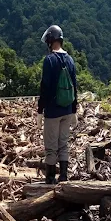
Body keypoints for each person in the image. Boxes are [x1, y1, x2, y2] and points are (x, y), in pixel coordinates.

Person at [37, 25, 78, 184]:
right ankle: (64, 177)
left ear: (49, 41)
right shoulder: (70, 59)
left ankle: (50, 179)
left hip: (53, 111)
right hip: (67, 109)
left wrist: (40, 110)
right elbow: (75, 86)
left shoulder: (49, 60)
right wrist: (74, 109)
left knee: (51, 147)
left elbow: (45, 87)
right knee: (63, 144)